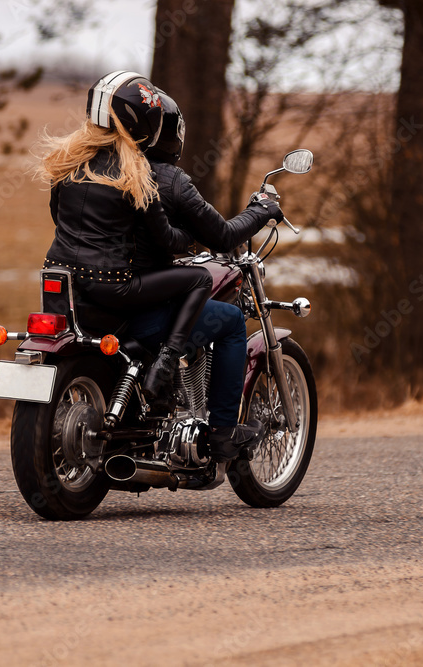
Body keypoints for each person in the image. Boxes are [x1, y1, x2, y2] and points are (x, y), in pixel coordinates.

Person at [35, 71, 211, 401]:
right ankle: (167, 363)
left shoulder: (67, 162)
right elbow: (165, 239)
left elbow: (58, 217)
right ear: (144, 123)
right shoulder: (136, 173)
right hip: (113, 286)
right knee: (200, 278)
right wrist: (189, 238)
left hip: (61, 277)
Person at [127, 89, 283, 461]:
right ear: (172, 134)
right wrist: (261, 211)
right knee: (230, 321)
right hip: (139, 305)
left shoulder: (101, 171)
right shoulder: (170, 180)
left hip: (97, 301)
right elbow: (224, 235)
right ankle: (223, 434)